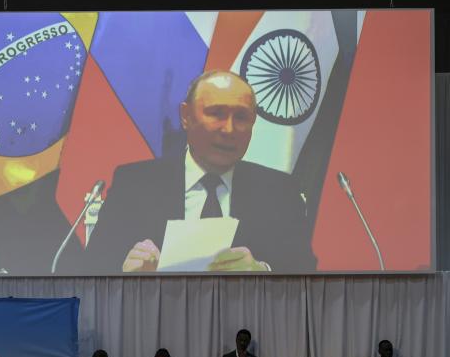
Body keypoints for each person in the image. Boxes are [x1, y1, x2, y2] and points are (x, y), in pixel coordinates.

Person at [83, 70, 317, 274]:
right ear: (186, 116)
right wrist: (126, 273)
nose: (229, 129)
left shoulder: (278, 190)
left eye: (241, 117)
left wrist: (262, 272)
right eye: (216, 114)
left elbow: (305, 273)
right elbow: (93, 268)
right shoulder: (135, 184)